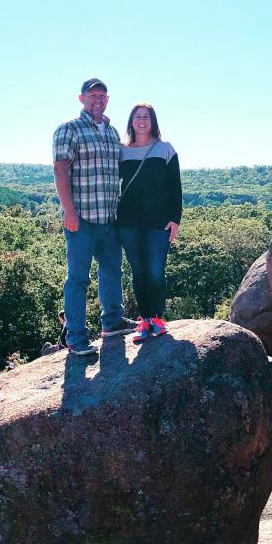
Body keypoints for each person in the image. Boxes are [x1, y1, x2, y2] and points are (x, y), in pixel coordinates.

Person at [52, 78, 137, 355]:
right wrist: (69, 211)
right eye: (92, 96)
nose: (97, 100)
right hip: (82, 220)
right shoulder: (69, 129)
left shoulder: (112, 132)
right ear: (82, 99)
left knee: (112, 271)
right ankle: (76, 337)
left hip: (109, 219)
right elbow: (60, 170)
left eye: (102, 96)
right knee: (78, 279)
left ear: (107, 99)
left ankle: (112, 321)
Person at [116, 102, 182, 342]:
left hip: (159, 222)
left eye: (146, 116)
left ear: (153, 121)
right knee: (139, 271)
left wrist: (175, 219)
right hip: (128, 222)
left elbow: (175, 186)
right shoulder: (122, 151)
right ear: (131, 121)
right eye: (138, 116)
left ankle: (157, 318)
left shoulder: (165, 149)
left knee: (155, 270)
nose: (142, 121)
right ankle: (144, 320)